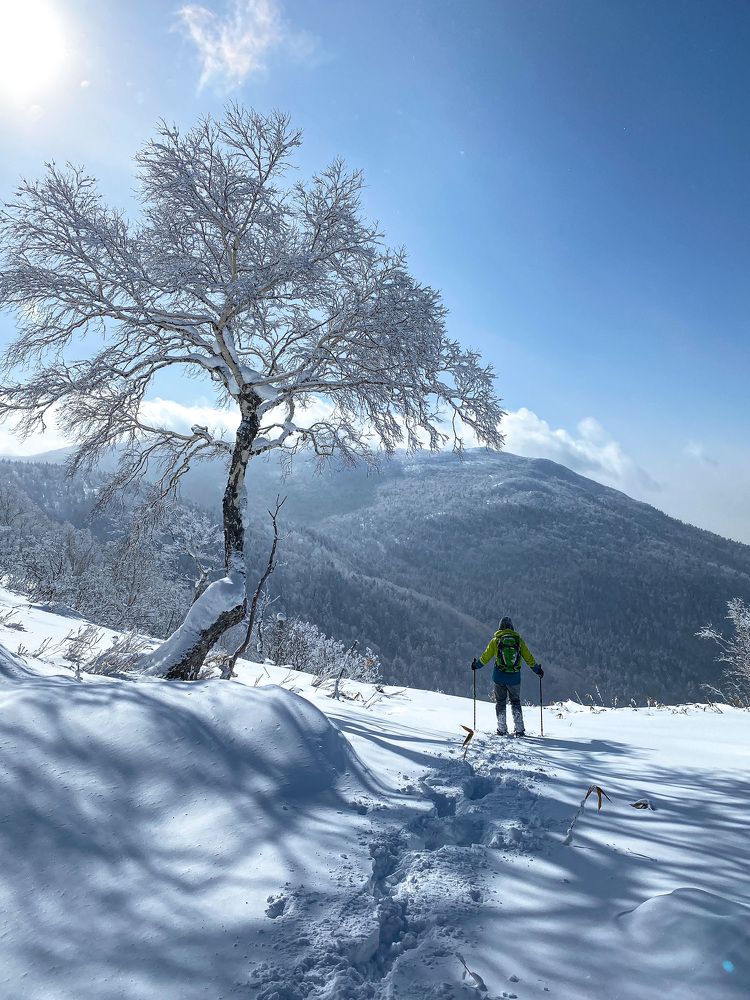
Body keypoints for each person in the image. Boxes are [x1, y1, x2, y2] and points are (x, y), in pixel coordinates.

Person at [472, 616, 543, 737]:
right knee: (515, 701)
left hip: (499, 677)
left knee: (500, 702)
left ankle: (502, 729)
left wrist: (476, 665)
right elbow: (528, 658)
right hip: (514, 678)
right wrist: (537, 670)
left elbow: (485, 657)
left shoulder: (496, 641)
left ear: (500, 627)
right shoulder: (519, 641)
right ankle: (519, 729)